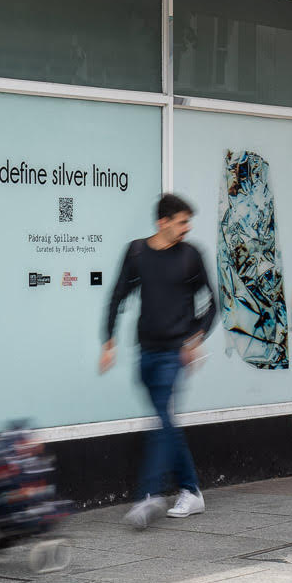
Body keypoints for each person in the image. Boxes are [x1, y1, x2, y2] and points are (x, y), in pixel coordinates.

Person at [100, 193, 217, 529]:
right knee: (165, 421)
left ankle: (149, 495)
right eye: (182, 222)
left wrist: (196, 337)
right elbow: (118, 295)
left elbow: (212, 303)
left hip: (174, 353)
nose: (187, 228)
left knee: (162, 420)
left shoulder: (191, 256)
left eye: (188, 222)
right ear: (162, 222)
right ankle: (192, 490)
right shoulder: (137, 252)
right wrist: (109, 340)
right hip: (146, 351)